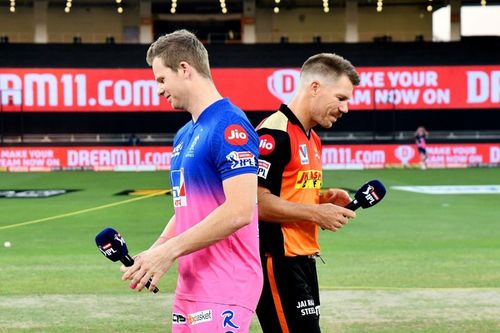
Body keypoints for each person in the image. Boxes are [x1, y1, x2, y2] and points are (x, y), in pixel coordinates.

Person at [121, 29, 263, 333]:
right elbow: (186, 208)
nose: (159, 90)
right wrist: (155, 252)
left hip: (226, 282)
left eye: (161, 79)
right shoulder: (184, 134)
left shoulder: (230, 124)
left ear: (184, 69)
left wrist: (169, 252)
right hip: (192, 282)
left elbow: (240, 211)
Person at [255, 53, 360, 333]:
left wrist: (322, 198)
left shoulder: (313, 138)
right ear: (314, 87)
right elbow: (255, 201)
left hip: (303, 261)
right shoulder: (274, 133)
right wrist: (316, 213)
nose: (346, 108)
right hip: (277, 261)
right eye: (340, 98)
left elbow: (285, 192)